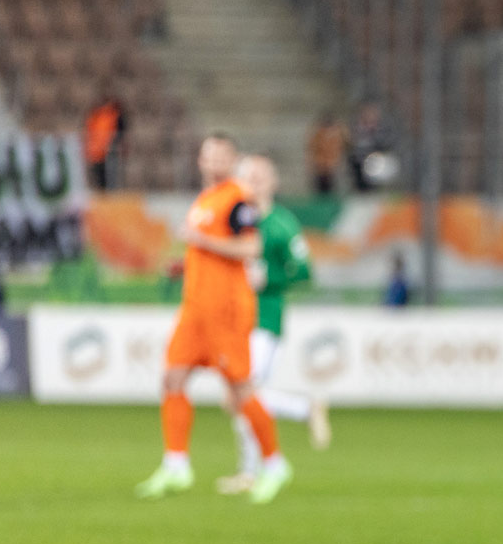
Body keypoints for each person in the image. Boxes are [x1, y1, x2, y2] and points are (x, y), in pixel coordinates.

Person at [135, 134, 293, 505]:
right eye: (208, 155)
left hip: (225, 310)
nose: (214, 162)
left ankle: (274, 464)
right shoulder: (204, 200)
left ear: (232, 160)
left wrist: (201, 242)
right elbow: (204, 248)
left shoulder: (238, 199)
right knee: (172, 377)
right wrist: (184, 263)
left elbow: (249, 247)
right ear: (200, 160)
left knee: (240, 391)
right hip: (196, 309)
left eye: (222, 156)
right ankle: (176, 464)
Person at [216, 154, 330, 496]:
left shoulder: (282, 224)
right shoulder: (237, 220)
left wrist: (272, 278)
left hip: (266, 318)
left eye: (261, 175)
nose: (255, 181)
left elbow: (305, 270)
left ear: (274, 182)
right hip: (235, 317)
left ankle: (256, 469)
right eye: (249, 175)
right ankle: (303, 409)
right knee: (237, 398)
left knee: (243, 394)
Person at [84, 93, 127, 191]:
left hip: (110, 151)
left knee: (110, 178)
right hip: (97, 151)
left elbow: (120, 131)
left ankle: (110, 195)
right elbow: (90, 131)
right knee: (100, 179)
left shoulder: (114, 114)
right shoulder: (95, 114)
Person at [347, 103, 392, 193]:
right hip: (360, 161)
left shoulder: (380, 129)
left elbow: (384, 142)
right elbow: (352, 142)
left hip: (374, 161)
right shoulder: (357, 127)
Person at [307, 113, 346, 197]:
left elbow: (343, 146)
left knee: (332, 188)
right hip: (321, 166)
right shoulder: (318, 135)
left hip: (332, 167)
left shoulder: (337, 135)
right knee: (320, 189)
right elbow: (313, 149)